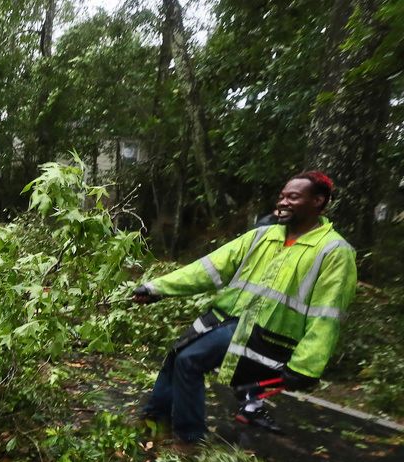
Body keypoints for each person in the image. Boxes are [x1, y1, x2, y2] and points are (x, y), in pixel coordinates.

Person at [132, 171, 357, 443]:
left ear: (318, 202)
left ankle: (190, 440)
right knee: (177, 355)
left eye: (293, 197)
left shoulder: (334, 251)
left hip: (267, 336)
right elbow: (209, 268)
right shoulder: (262, 236)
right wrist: (156, 288)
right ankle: (155, 420)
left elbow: (328, 314)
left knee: (189, 361)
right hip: (229, 319)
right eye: (282, 196)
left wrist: (307, 366)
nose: (283, 202)